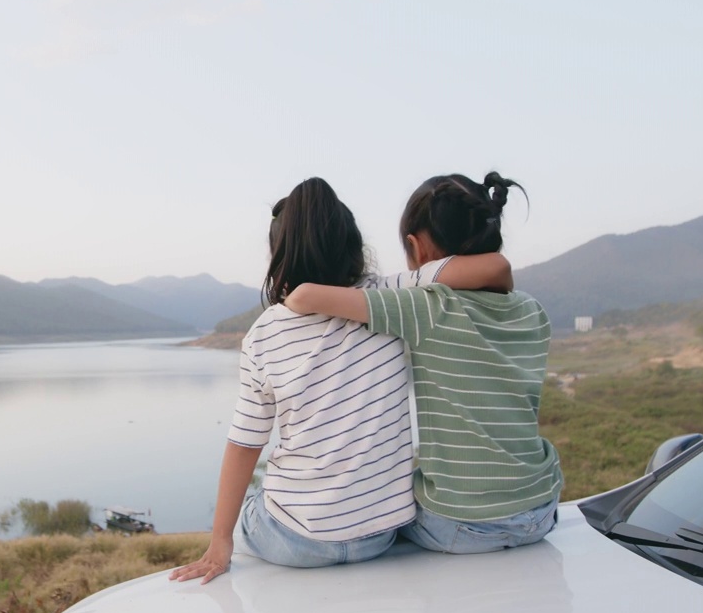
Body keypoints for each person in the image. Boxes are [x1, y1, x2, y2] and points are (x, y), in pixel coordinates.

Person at [170, 177, 512, 584]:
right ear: (353, 244)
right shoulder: (392, 297)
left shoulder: (264, 335)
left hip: (295, 541)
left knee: (253, 510)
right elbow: (496, 267)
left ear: (278, 255)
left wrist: (220, 542)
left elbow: (245, 442)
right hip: (379, 535)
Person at [283, 172, 562, 555]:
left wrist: (291, 301)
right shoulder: (533, 311)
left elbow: (308, 296)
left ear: (417, 247)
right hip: (541, 507)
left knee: (380, 512)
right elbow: (497, 270)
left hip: (462, 525)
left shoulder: (427, 307)